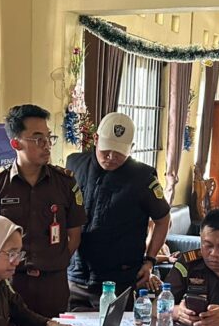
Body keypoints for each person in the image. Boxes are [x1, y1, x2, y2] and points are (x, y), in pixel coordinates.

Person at [0, 104, 87, 317]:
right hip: (12, 283)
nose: (47, 145)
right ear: (15, 143)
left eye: (49, 138)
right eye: (38, 139)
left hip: (53, 284)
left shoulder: (65, 183)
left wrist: (56, 261)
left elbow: (74, 235)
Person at [66, 112, 171, 309]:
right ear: (96, 139)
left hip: (118, 280)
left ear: (131, 148)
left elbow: (163, 220)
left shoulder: (143, 177)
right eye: (106, 150)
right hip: (75, 276)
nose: (112, 157)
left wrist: (150, 260)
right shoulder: (74, 164)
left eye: (120, 152)